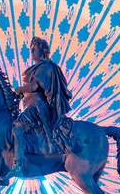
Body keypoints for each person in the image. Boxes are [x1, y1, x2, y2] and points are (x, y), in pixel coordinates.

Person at [9, 37, 73, 176]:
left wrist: (19, 89)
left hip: (38, 109)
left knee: (18, 129)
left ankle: (18, 165)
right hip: (33, 108)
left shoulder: (45, 67)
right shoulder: (39, 67)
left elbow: (34, 86)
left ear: (43, 50)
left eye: (34, 48)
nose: (31, 51)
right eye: (30, 49)